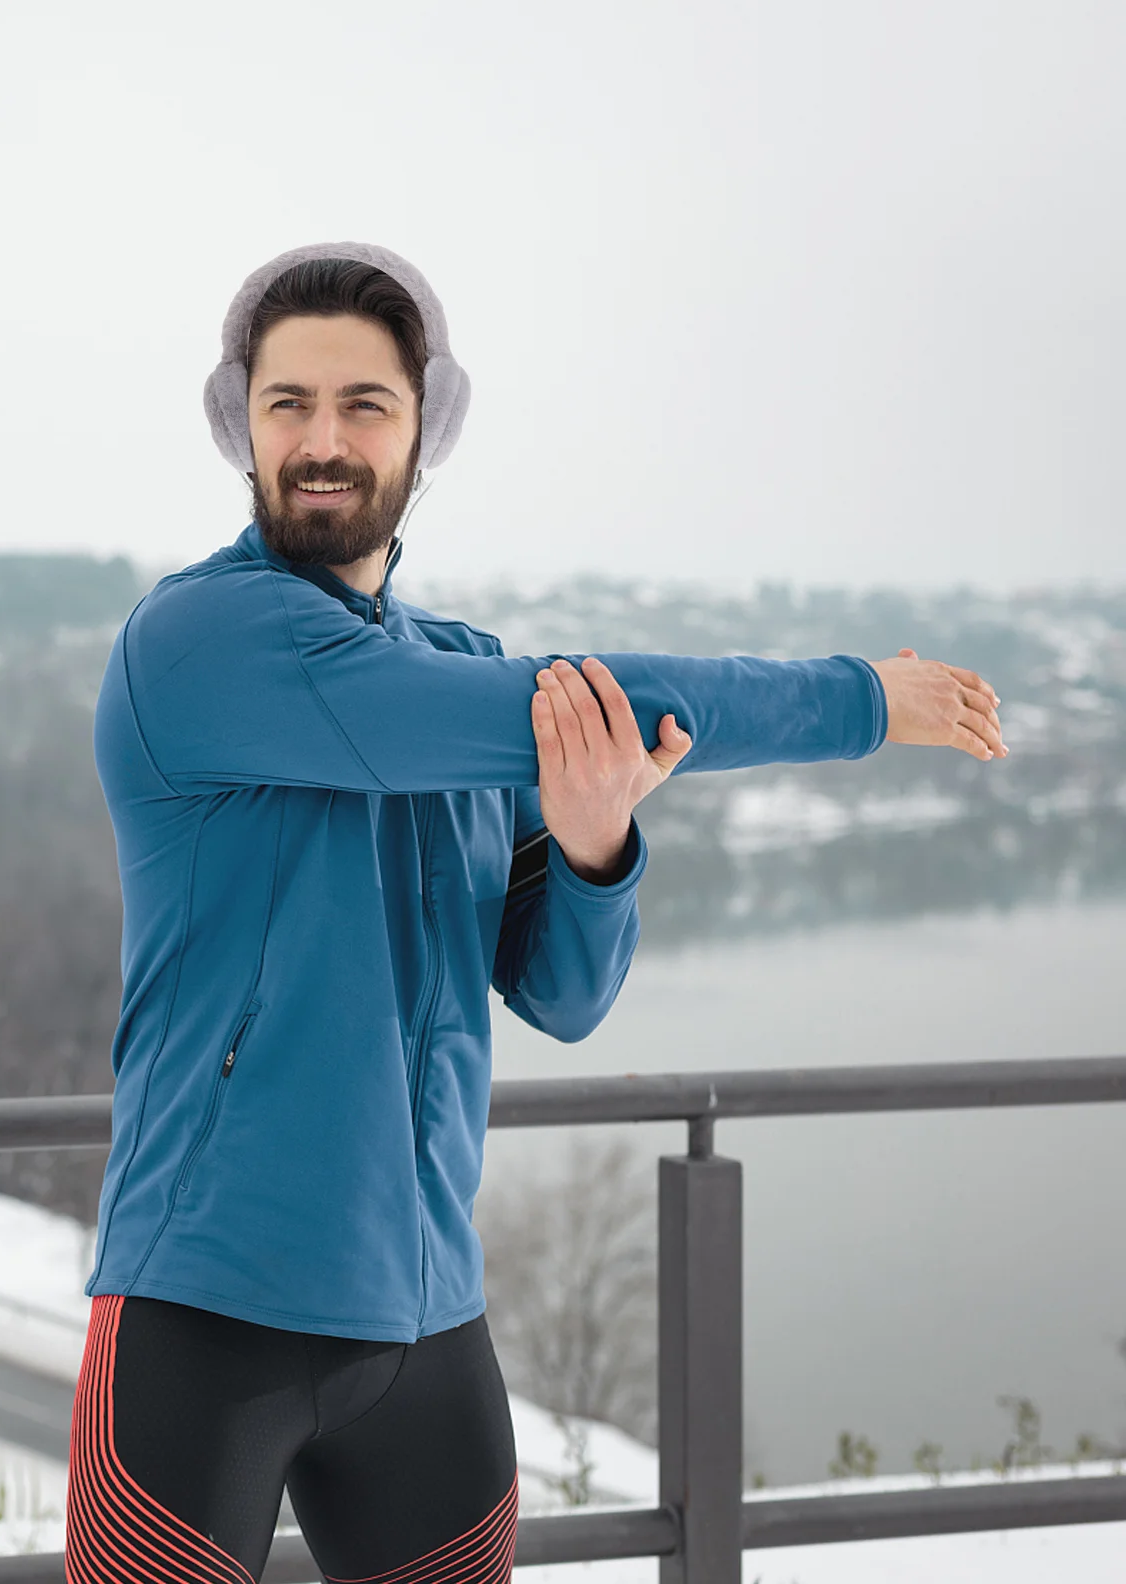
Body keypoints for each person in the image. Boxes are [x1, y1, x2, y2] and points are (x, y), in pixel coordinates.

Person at [66, 243, 1005, 1584]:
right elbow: (609, 692)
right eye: (288, 405)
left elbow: (561, 995)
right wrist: (860, 699)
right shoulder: (199, 643)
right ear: (243, 425)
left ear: (424, 427)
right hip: (204, 1316)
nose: (322, 440)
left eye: (363, 405)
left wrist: (595, 840)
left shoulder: (464, 676)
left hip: (430, 1329)